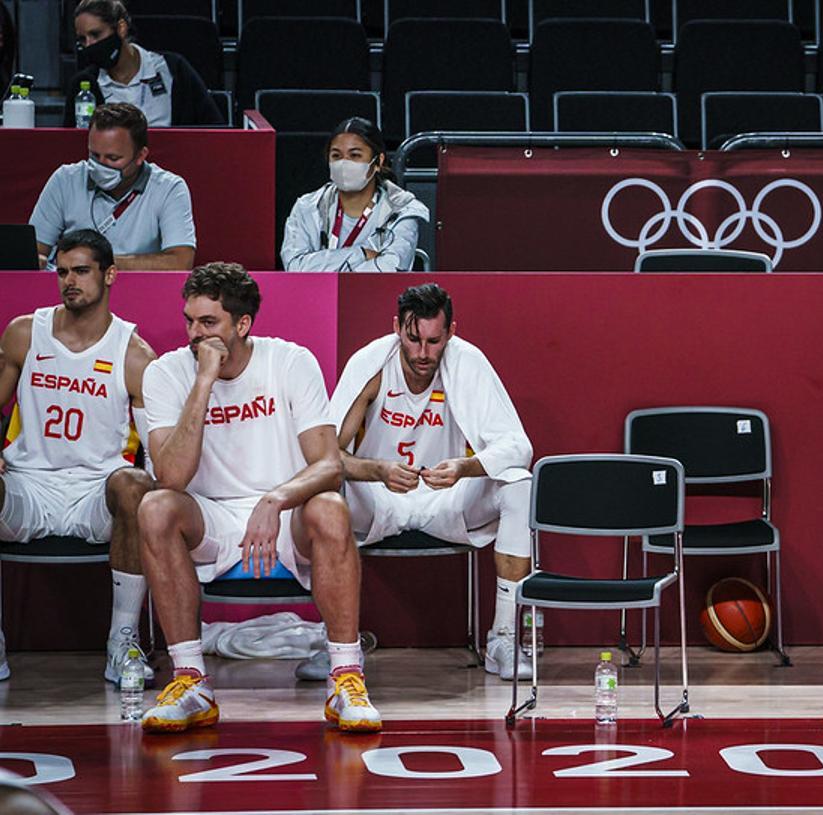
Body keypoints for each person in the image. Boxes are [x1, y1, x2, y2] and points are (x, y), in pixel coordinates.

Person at [137, 263, 381, 733]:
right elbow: (170, 475)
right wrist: (204, 382)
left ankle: (345, 678)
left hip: (284, 516)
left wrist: (275, 499)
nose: (194, 334)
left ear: (242, 325)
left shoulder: (290, 361)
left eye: (208, 323)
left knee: (330, 506)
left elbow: (328, 464)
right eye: (190, 321)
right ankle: (191, 683)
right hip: (212, 520)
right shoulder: (167, 373)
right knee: (155, 506)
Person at [328, 283, 534, 680]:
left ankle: (504, 639)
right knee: (324, 492)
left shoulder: (468, 361)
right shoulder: (371, 363)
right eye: (414, 339)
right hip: (380, 498)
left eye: (434, 341)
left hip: (448, 497)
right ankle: (339, 648)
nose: (423, 353)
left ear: (451, 332)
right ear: (396, 329)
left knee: (520, 484)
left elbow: (517, 447)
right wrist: (377, 471)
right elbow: (325, 455)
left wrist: (464, 467)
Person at [0, 229, 157, 685]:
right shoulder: (25, 333)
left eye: (82, 271)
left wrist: (152, 486)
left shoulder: (134, 354)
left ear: (110, 275)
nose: (70, 281)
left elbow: (156, 454)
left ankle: (121, 644)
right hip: (28, 486)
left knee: (135, 486)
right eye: (62, 271)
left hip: (96, 493)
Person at [31, 103, 196, 271]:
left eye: (113, 158)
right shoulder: (65, 180)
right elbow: (34, 252)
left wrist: (97, 264)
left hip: (139, 290)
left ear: (140, 156)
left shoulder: (169, 188)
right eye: (94, 155)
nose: (100, 166)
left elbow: (180, 262)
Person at [281, 117, 429, 273]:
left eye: (355, 155)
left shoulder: (402, 210)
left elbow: (390, 269)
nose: (344, 163)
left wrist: (324, 265)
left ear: (378, 162)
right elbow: (295, 267)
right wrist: (361, 254)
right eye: (336, 156)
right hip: (316, 294)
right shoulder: (307, 207)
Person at [64, 0, 222, 128]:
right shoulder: (84, 85)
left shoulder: (173, 69)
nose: (89, 44)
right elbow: (71, 146)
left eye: (95, 34)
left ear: (121, 28)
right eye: (82, 40)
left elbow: (214, 128)